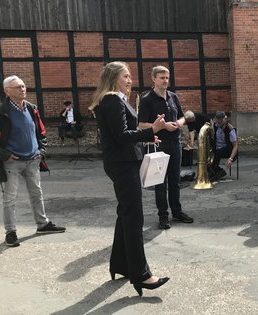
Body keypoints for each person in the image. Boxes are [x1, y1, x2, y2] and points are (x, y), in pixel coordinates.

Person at [90, 61, 169, 296]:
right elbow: (122, 135)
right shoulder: (113, 99)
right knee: (134, 218)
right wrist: (152, 129)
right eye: (125, 76)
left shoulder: (114, 99)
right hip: (123, 166)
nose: (129, 80)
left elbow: (121, 136)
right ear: (114, 77)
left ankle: (121, 265)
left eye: (130, 76)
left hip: (122, 162)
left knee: (125, 214)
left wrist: (146, 138)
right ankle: (141, 275)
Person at [0, 75, 66, 247]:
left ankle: (42, 224)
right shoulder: (0, 112)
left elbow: (41, 132)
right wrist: (5, 156)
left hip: (32, 159)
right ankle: (10, 232)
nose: (23, 89)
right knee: (10, 199)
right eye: (18, 87)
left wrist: (41, 151)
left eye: (23, 86)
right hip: (11, 161)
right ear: (7, 91)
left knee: (37, 193)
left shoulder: (31, 108)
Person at [138, 66, 193, 230]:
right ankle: (163, 216)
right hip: (159, 144)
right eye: (162, 77)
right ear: (153, 79)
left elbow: (182, 117)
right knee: (160, 183)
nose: (165, 81)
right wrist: (162, 126)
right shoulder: (147, 99)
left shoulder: (173, 97)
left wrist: (179, 123)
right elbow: (141, 125)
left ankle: (177, 211)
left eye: (167, 77)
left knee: (175, 181)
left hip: (175, 143)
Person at [209, 111, 238, 181]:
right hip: (217, 148)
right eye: (217, 120)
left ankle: (216, 172)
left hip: (228, 150)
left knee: (216, 153)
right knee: (208, 155)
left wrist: (230, 158)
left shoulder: (230, 129)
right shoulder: (214, 125)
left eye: (221, 121)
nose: (218, 123)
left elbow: (235, 146)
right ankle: (216, 171)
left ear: (225, 119)